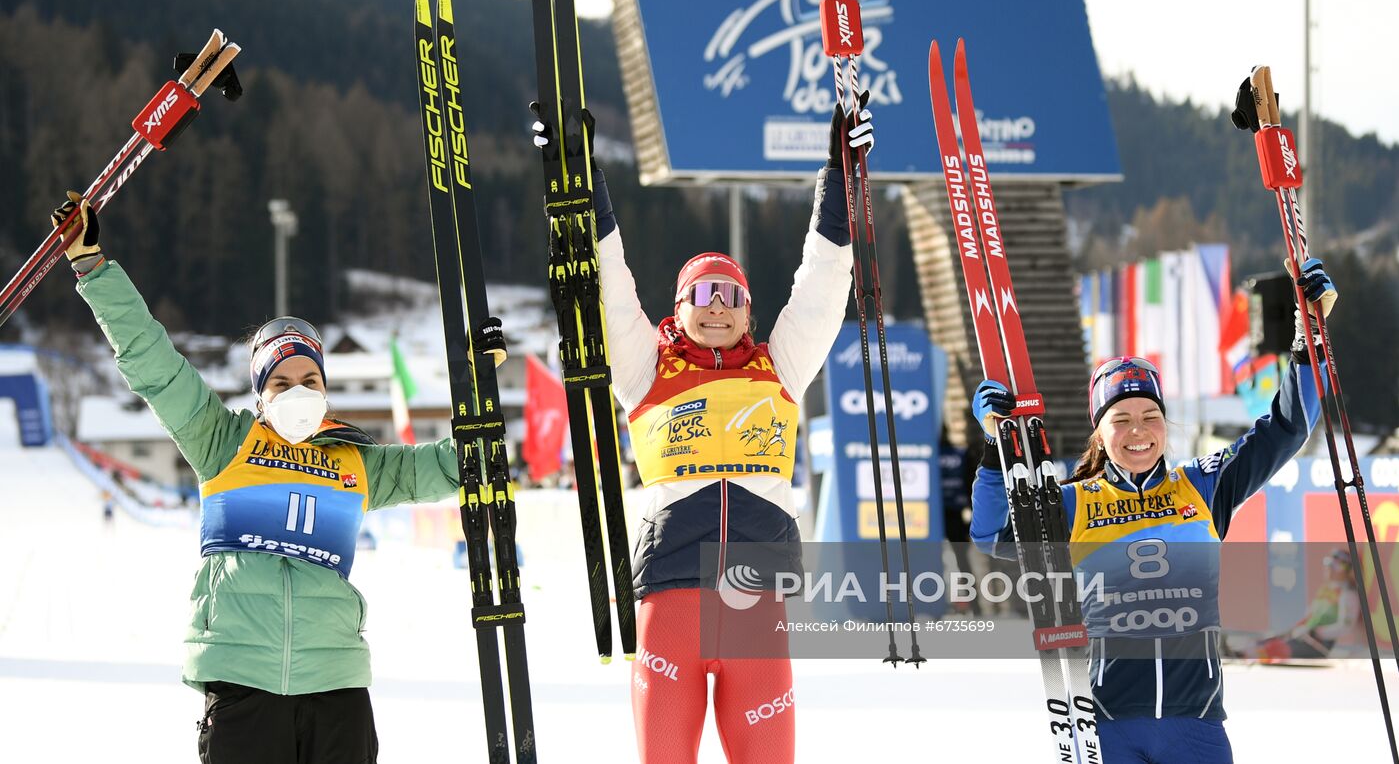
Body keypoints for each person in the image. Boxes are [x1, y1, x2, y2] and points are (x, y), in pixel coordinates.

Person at [51, 192, 465, 764]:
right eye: (282, 381)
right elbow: (153, 362)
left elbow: (445, 466)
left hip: (336, 685)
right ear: (260, 393)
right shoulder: (222, 442)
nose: (300, 391)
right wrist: (94, 267)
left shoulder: (356, 464)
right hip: (243, 683)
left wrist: (479, 411)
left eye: (311, 379)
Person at [532, 99, 868, 762]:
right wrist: (579, 175)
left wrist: (842, 178)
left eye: (731, 296)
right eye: (703, 296)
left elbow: (826, 283)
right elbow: (609, 283)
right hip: (670, 596)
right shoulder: (643, 367)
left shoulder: (782, 364)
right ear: (678, 308)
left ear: (749, 310)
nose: (718, 309)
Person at [969, 259, 1336, 763]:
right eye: (1121, 419)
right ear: (1100, 432)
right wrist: (994, 448)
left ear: (1166, 422)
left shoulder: (1204, 486)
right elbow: (991, 536)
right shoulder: (1074, 501)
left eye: (1150, 416)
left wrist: (1307, 340)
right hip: (1107, 724)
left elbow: (1288, 428)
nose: (1138, 430)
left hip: (1196, 724)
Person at [1253, 548, 1359, 662]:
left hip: (1318, 645)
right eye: (1328, 564)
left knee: (1269, 651)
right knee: (1260, 645)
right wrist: (1294, 630)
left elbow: (1345, 626)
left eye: (1333, 566)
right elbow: (1310, 616)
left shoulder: (1348, 594)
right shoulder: (1325, 589)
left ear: (1343, 570)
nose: (1328, 569)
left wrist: (1316, 632)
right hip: (1303, 638)